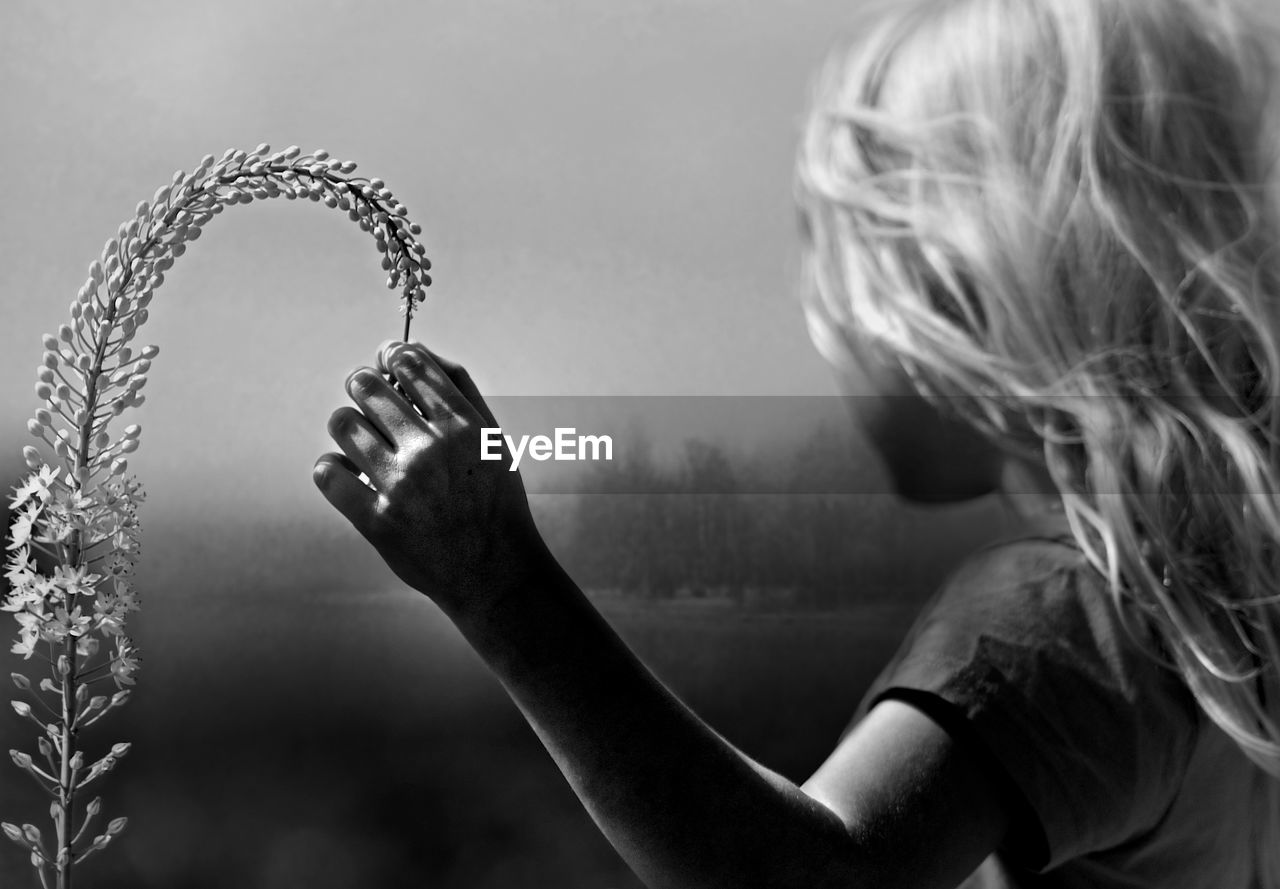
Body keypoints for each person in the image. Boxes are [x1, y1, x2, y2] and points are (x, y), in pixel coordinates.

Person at [312, 0, 1280, 884]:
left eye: (848, 272)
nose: (825, 332)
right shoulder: (1219, 612)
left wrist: (499, 587)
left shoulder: (1060, 622)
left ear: (968, 292)